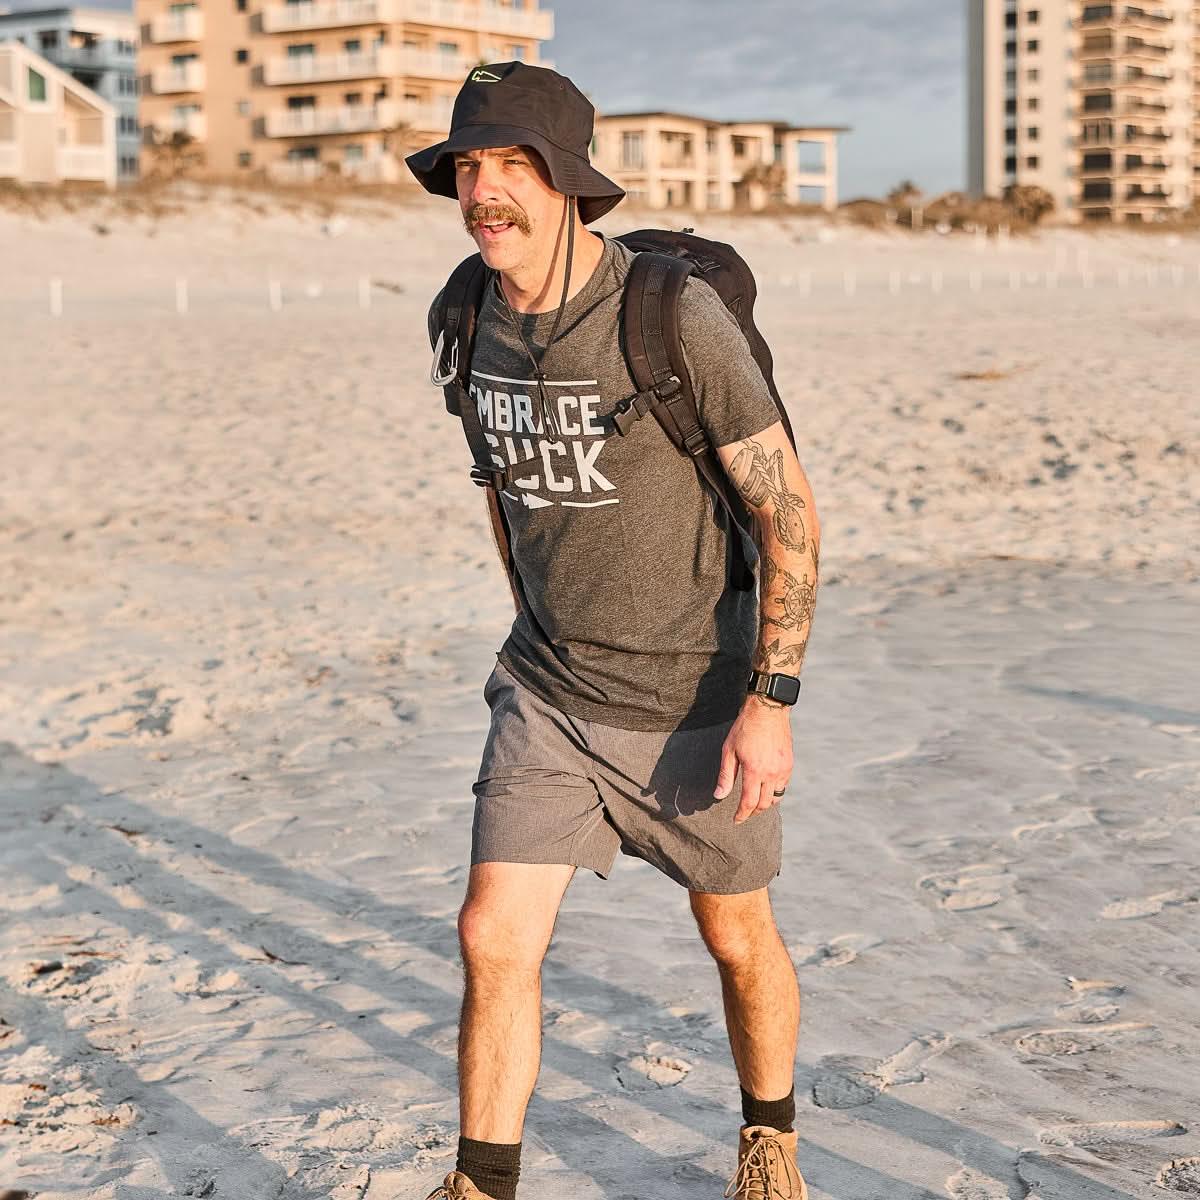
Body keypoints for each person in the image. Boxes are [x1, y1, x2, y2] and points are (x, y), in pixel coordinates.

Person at [407, 61, 820, 1200]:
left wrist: (768, 704)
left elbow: (789, 516)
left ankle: (770, 1142)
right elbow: (501, 486)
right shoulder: (469, 310)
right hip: (546, 688)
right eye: (469, 166)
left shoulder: (668, 317)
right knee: (492, 933)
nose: (484, 191)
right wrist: (534, 622)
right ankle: (481, 1185)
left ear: (573, 186)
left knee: (737, 940)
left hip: (695, 696)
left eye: (513, 166)